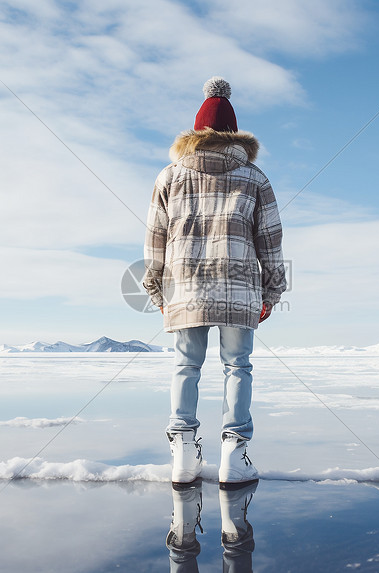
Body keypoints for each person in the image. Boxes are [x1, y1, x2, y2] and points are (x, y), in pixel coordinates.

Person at [143, 76, 287, 485]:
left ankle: (183, 455)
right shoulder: (255, 178)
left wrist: (157, 289)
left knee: (185, 365)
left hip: (184, 290)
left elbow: (154, 239)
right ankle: (234, 455)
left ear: (195, 132)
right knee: (237, 366)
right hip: (240, 289)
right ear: (234, 134)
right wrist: (272, 291)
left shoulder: (168, 176)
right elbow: (271, 241)